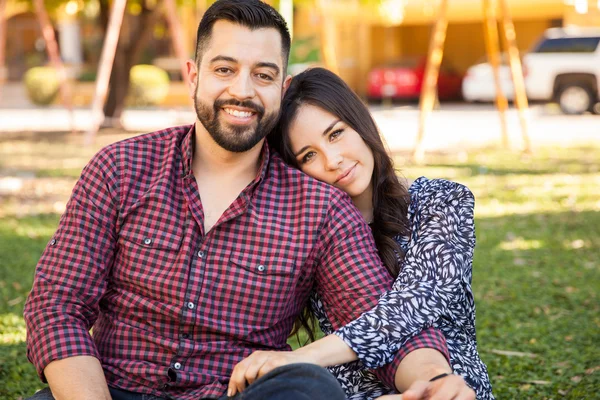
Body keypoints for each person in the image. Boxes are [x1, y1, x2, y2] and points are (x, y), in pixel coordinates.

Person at [23, 1, 465, 400]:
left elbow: (380, 317)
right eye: (224, 69)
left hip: (238, 395)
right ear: (193, 75)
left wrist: (432, 382)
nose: (243, 90)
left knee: (311, 387)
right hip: (113, 389)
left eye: (263, 75)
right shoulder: (120, 167)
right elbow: (57, 304)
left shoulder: (320, 207)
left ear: (281, 86)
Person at [228, 68, 494, 399]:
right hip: (347, 387)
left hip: (445, 379)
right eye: (308, 155)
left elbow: (412, 304)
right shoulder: (313, 228)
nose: (333, 160)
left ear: (360, 122)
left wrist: (299, 358)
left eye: (335, 134)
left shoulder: (442, 201)